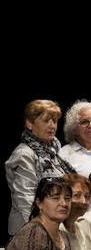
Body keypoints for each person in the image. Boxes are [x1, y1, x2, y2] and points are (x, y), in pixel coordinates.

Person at [7, 100, 76, 237]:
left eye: (55, 121)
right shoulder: (24, 154)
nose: (52, 126)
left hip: (54, 225)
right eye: (46, 121)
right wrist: (39, 231)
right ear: (30, 124)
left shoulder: (53, 151)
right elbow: (25, 198)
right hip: (29, 229)